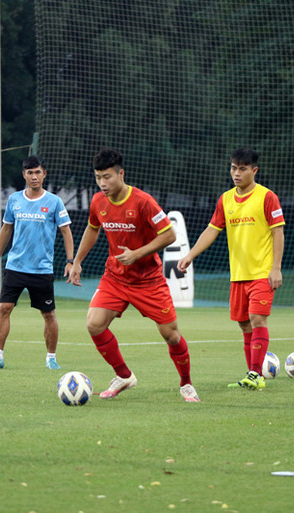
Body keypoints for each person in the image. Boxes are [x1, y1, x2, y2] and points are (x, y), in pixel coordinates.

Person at [67, 147, 199, 402]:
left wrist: (138, 253)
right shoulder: (97, 201)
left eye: (107, 177)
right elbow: (92, 229)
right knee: (94, 324)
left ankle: (186, 384)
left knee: (171, 335)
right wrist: (76, 261)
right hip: (115, 278)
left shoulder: (143, 201)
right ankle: (124, 376)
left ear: (121, 174)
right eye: (98, 178)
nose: (102, 183)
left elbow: (169, 235)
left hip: (148, 280)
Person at [177, 148, 285, 390]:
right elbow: (211, 230)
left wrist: (275, 268)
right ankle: (251, 375)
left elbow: (278, 232)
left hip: (262, 272)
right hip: (238, 275)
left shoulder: (267, 197)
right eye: (234, 168)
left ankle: (256, 375)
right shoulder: (225, 199)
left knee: (258, 319)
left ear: (254, 170)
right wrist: (190, 255)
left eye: (242, 169)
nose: (236, 173)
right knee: (244, 324)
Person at [0, 156, 74, 370]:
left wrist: (71, 261)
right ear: (24, 175)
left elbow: (66, 231)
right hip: (15, 266)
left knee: (48, 314)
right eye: (30, 173)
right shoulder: (15, 200)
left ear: (44, 174)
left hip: (41, 268)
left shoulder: (54, 201)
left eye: (38, 172)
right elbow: (6, 229)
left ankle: (51, 358)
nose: (34, 176)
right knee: (4, 308)